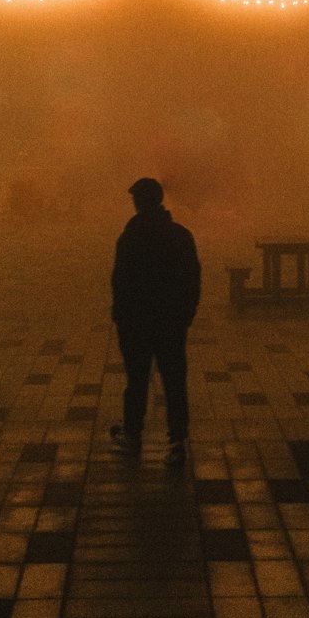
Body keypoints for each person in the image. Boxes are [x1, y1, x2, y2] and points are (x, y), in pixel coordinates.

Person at [109, 177, 201, 466]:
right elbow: (192, 280)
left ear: (139, 202)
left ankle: (133, 433)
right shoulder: (180, 235)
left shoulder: (130, 237)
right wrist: (185, 314)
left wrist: (121, 316)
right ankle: (177, 439)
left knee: (137, 380)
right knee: (174, 380)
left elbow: (120, 283)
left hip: (137, 322)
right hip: (170, 321)